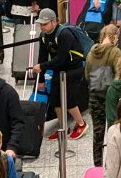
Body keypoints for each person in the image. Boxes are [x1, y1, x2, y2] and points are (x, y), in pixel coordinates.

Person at [34, 9, 89, 141]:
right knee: (55, 98)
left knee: (67, 96)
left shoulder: (64, 34)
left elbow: (61, 59)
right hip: (59, 69)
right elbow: (42, 57)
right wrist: (40, 80)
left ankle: (81, 124)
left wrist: (42, 67)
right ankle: (63, 127)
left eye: (45, 24)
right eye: (40, 24)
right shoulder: (43, 36)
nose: (42, 27)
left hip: (74, 68)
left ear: (54, 21)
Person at [85, 25, 121, 166]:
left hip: (95, 95)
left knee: (98, 134)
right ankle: (113, 166)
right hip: (111, 98)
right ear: (114, 36)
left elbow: (87, 75)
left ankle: (97, 166)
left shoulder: (91, 53)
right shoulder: (115, 52)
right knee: (114, 133)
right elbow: (119, 75)